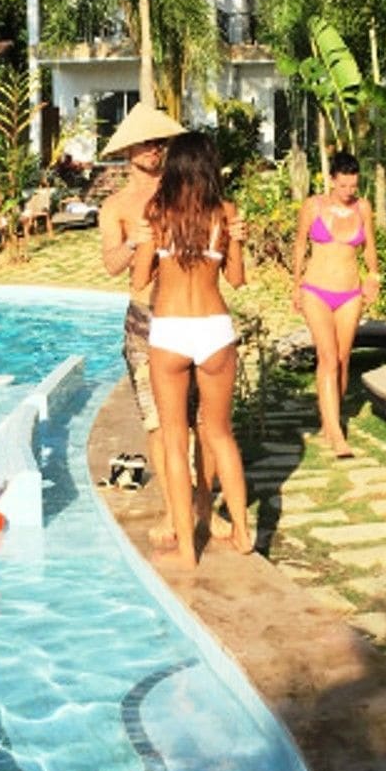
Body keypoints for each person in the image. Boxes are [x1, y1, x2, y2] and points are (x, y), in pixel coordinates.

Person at [131, 133, 256, 563]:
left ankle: (187, 549)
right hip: (214, 329)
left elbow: (138, 281)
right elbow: (237, 280)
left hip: (170, 331)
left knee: (172, 439)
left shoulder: (158, 214)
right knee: (220, 434)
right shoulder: (226, 213)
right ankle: (242, 531)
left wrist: (144, 241)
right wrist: (236, 239)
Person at [97, 103, 198, 517]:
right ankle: (176, 510)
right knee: (156, 420)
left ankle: (197, 498)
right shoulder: (115, 207)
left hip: (187, 310)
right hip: (144, 318)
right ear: (129, 152)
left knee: (195, 418)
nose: (155, 149)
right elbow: (110, 265)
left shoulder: (182, 192)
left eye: (159, 142)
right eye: (146, 143)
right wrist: (134, 242)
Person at [289, 152, 382, 458]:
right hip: (316, 289)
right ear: (332, 180)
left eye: (353, 186)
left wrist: (374, 277)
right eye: (343, 186)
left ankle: (330, 418)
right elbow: (301, 243)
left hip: (350, 294)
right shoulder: (313, 206)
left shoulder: (363, 208)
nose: (348, 192)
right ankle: (337, 434)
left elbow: (369, 247)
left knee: (341, 360)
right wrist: (296, 284)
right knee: (327, 357)